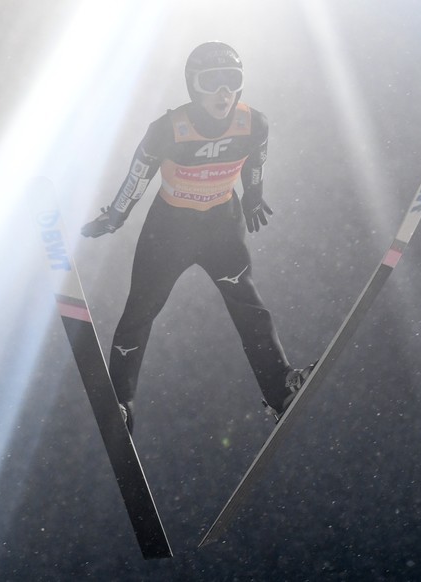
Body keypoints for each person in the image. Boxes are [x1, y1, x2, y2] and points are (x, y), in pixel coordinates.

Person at [82, 41, 313, 433]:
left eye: (232, 82)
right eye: (212, 83)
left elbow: (257, 159)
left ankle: (279, 387)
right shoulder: (167, 129)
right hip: (169, 229)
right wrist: (116, 216)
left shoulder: (254, 122)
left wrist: (254, 196)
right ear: (193, 85)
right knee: (139, 312)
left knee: (249, 305)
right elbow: (138, 176)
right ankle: (121, 401)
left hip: (222, 225)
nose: (224, 93)